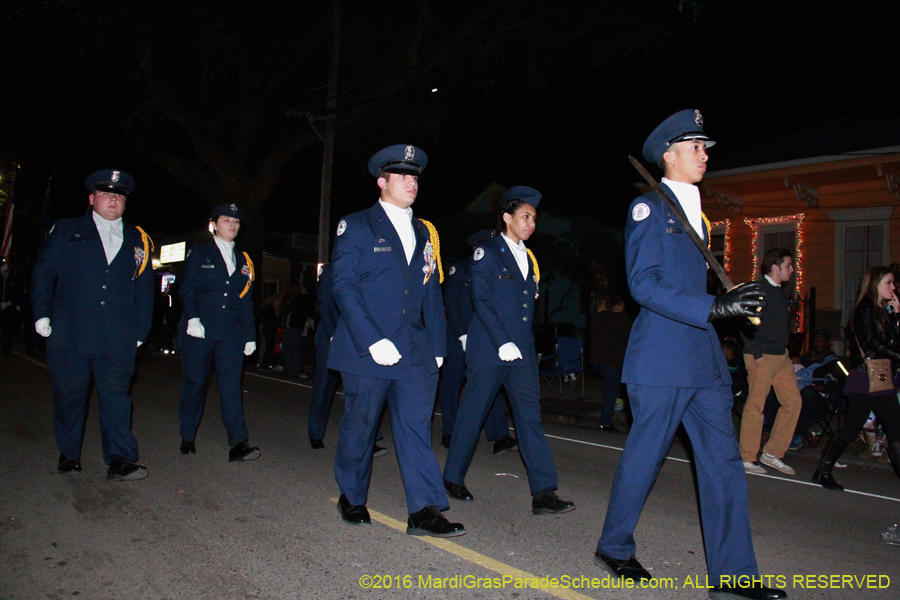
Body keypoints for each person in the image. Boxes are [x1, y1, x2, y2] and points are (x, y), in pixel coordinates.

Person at [594, 110, 786, 600]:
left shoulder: (696, 214)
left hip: (702, 360)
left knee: (723, 464)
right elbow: (643, 285)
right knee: (646, 457)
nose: (705, 154)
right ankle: (614, 546)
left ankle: (734, 573)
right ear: (669, 155)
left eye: (705, 147)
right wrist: (715, 305)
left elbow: (691, 286)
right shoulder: (650, 210)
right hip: (660, 358)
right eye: (695, 147)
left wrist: (729, 305)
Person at [328, 144, 464, 537]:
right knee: (361, 424)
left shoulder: (425, 232)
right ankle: (352, 497)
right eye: (403, 176)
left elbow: (432, 293)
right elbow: (344, 286)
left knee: (416, 427)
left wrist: (438, 346)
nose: (412, 182)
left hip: (415, 349)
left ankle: (424, 510)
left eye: (415, 176)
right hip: (366, 347)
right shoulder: (355, 225)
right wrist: (372, 340)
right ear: (381, 182)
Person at [443, 186, 575, 516]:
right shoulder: (486, 252)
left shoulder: (528, 258)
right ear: (507, 217)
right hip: (490, 348)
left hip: (522, 353)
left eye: (534, 218)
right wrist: (502, 341)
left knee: (530, 418)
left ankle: (544, 493)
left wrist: (523, 346)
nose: (531, 223)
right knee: (473, 414)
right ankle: (452, 478)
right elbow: (482, 303)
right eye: (525, 216)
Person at [31, 169, 154, 480]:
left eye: (119, 195)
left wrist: (141, 330)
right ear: (91, 198)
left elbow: (144, 287)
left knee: (116, 398)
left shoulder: (138, 238)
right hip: (70, 330)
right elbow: (44, 273)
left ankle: (120, 459)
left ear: (125, 203)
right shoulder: (67, 229)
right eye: (105, 193)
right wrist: (41, 313)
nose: (113, 198)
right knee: (70, 396)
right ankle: (69, 454)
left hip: (118, 334)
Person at [177, 203, 260, 463]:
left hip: (231, 333)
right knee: (195, 383)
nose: (232, 225)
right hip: (200, 330)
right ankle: (188, 435)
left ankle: (238, 442)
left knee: (231, 386)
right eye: (226, 220)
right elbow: (188, 287)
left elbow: (245, 299)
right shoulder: (200, 253)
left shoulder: (245, 259)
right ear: (214, 224)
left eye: (236, 221)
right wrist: (192, 318)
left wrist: (250, 335)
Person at [813, 266, 900, 490]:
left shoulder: (883, 310)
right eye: (889, 283)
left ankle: (822, 471)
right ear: (875, 284)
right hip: (867, 377)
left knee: (892, 428)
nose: (893, 287)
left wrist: (897, 317)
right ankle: (823, 471)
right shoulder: (865, 309)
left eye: (893, 283)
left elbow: (892, 340)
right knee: (853, 428)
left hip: (881, 377)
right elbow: (873, 342)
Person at [439, 234, 518, 454]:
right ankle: (450, 430)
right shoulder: (460, 269)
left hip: (485, 339)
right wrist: (462, 334)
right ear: (476, 247)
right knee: (452, 385)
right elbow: (452, 304)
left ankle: (500, 435)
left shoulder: (498, 270)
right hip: (459, 337)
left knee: (489, 386)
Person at [307, 262, 387, 456]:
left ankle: (369, 439)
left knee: (365, 390)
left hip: (360, 336)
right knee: (324, 386)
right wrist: (333, 335)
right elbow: (325, 304)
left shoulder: (368, 266)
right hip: (331, 335)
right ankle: (316, 433)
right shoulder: (331, 270)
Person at [738, 248, 802, 475]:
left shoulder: (779, 292)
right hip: (762, 355)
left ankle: (772, 453)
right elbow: (743, 322)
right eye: (788, 266)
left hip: (780, 355)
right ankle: (747, 457)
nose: (792, 270)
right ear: (775, 267)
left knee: (793, 402)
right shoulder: (759, 290)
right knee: (756, 405)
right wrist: (756, 354)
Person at [589, 294, 632, 432]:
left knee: (610, 391)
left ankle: (607, 418)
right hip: (613, 361)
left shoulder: (600, 317)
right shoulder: (623, 321)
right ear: (619, 305)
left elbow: (592, 336)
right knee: (610, 393)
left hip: (598, 360)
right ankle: (606, 422)